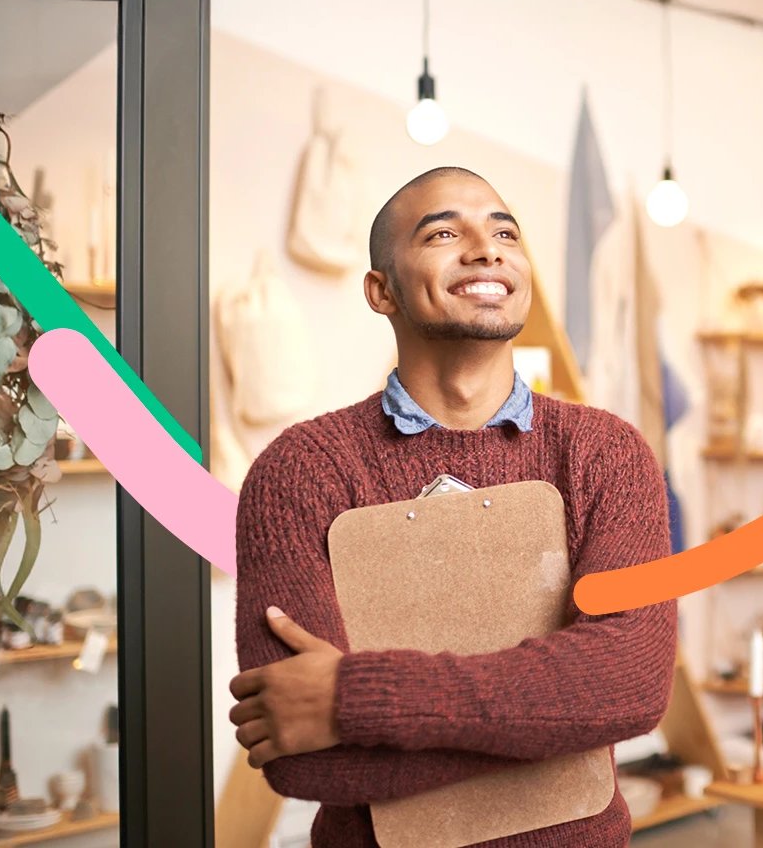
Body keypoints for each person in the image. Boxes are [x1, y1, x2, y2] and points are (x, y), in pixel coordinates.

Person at [228, 166, 677, 847]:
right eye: (444, 232)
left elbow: (631, 686)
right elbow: (303, 755)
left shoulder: (606, 454)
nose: (487, 248)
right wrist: (557, 727)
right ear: (382, 291)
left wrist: (356, 699)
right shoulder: (298, 474)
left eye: (505, 232)